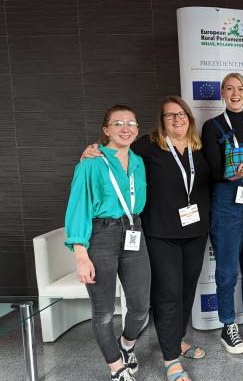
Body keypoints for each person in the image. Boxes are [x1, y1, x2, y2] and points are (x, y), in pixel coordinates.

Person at [81, 96, 212, 381]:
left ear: (189, 117)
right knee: (167, 294)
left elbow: (215, 180)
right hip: (159, 234)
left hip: (196, 232)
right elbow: (116, 152)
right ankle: (171, 360)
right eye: (169, 116)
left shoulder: (200, 148)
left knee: (187, 291)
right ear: (161, 121)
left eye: (181, 114)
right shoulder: (148, 146)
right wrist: (90, 152)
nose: (177, 119)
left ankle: (175, 339)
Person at [65, 105, 150, 381]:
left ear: (137, 130)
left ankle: (126, 346)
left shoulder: (138, 162)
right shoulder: (91, 162)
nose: (126, 128)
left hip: (134, 231)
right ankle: (116, 368)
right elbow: (78, 207)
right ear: (106, 130)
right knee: (103, 312)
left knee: (139, 307)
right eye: (118, 123)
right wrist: (81, 254)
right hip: (101, 235)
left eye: (131, 123)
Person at [201, 73, 243, 354]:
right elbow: (214, 171)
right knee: (227, 268)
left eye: (240, 88)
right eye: (229, 88)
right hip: (227, 202)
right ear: (223, 94)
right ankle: (228, 324)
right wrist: (233, 175)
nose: (235, 93)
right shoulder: (212, 127)